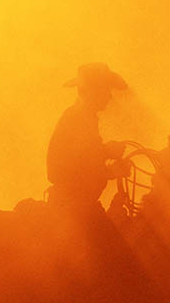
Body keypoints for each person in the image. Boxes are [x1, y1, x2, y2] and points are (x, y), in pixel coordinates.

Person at [47, 62, 131, 208]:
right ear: (93, 91)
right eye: (106, 90)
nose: (109, 96)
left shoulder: (82, 117)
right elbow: (67, 167)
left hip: (75, 204)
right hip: (72, 207)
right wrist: (108, 164)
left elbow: (83, 158)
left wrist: (106, 155)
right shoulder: (78, 118)